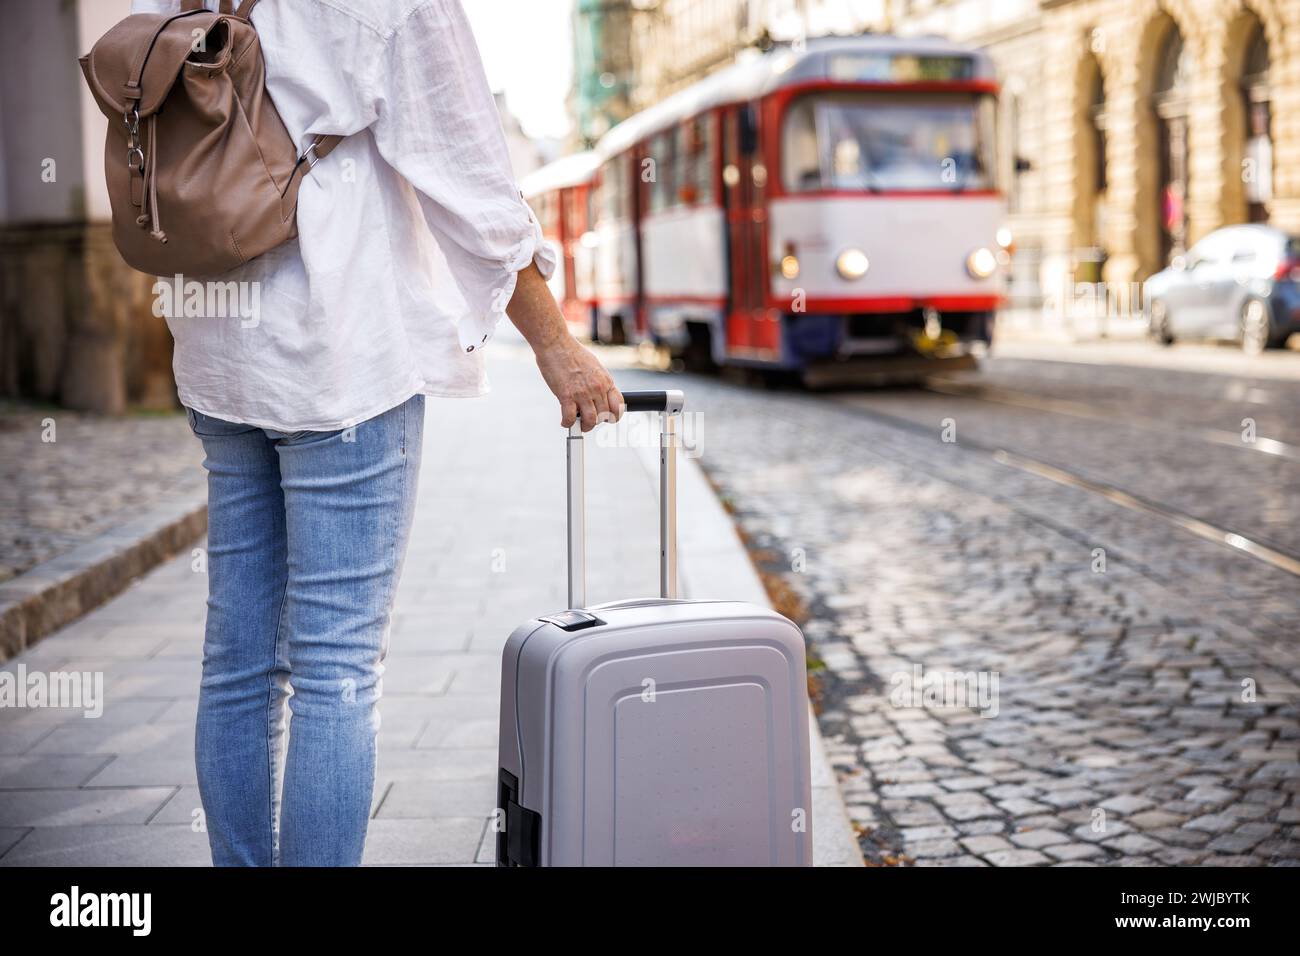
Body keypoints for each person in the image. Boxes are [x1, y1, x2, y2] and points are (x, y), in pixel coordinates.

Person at [131, 0, 623, 866]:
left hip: (218, 346)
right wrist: (554, 343)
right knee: (336, 670)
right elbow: (469, 179)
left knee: (238, 665)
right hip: (340, 353)